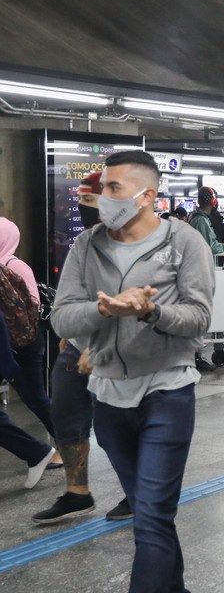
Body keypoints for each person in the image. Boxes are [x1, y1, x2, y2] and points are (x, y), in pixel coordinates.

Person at [52, 150, 214, 593]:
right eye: (103, 187)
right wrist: (102, 309)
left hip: (167, 392)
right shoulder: (87, 245)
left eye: (113, 188)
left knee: (153, 518)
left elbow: (198, 318)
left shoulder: (184, 242)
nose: (103, 197)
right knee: (149, 513)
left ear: (147, 196)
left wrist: (150, 312)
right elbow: (62, 317)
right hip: (107, 396)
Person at [34, 171, 132, 524]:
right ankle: (78, 493)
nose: (85, 210)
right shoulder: (85, 243)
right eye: (83, 203)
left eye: (93, 202)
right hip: (78, 343)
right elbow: (71, 291)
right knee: (65, 413)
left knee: (111, 426)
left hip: (118, 347)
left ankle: (138, 493)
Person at [0, 218, 62, 456]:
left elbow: (32, 307)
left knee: (36, 398)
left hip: (22, 345)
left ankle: (66, 443)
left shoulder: (16, 267)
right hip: (8, 345)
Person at [0, 304, 58, 489]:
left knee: (38, 401)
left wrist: (8, 365)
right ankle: (38, 452)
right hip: (24, 343)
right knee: (38, 401)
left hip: (24, 346)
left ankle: (60, 447)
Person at [188, 187, 224, 368]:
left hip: (201, 270)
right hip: (200, 272)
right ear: (213, 201)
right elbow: (211, 247)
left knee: (214, 311)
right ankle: (195, 355)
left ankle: (218, 350)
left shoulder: (200, 219)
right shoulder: (201, 221)